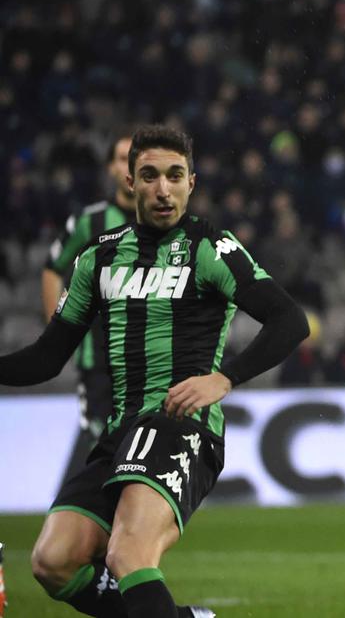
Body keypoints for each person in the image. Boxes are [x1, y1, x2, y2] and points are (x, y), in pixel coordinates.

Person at [1, 125, 309, 618]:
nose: (163, 189)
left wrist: (223, 378)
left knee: (127, 554)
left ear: (192, 182)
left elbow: (289, 320)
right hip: (121, 430)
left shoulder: (210, 246)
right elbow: (46, 356)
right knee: (52, 562)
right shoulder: (98, 257)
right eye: (150, 176)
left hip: (179, 425)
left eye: (174, 176)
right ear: (130, 182)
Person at [42, 135, 137, 481]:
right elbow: (52, 268)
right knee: (98, 442)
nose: (130, 165)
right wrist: (59, 331)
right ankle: (71, 517)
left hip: (148, 361)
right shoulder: (90, 220)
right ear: (112, 168)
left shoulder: (166, 223)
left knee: (134, 450)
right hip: (97, 359)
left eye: (136, 157)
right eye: (123, 157)